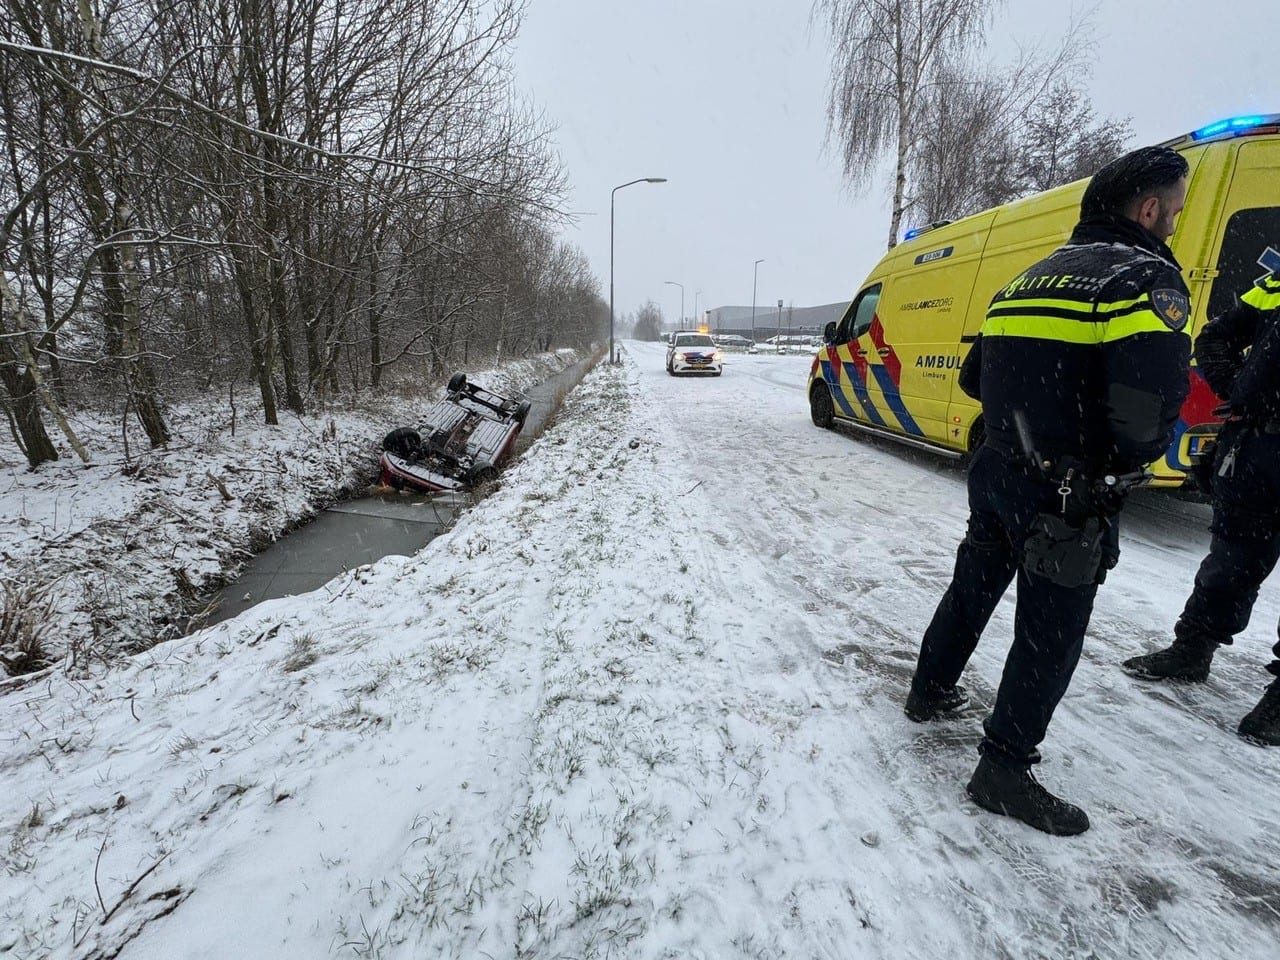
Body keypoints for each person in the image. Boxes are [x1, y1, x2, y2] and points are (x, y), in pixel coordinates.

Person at [905, 146, 1193, 836]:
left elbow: (976, 380)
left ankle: (928, 691)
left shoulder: (1022, 281)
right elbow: (1146, 416)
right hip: (1069, 493)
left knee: (971, 588)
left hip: (999, 471)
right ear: (1148, 209)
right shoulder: (1141, 279)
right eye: (1175, 210)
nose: (1175, 224)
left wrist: (1033, 403)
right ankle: (1003, 768)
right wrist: (1115, 457)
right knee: (1048, 635)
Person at [1122, 254, 1280, 744]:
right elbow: (1215, 336)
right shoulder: (1276, 283)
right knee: (1230, 558)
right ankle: (1192, 648)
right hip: (1258, 449)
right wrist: (1240, 389)